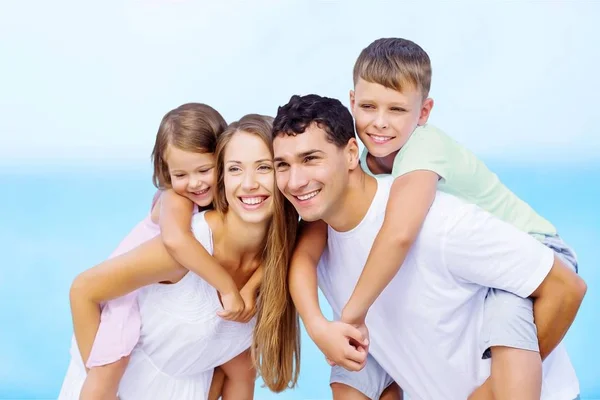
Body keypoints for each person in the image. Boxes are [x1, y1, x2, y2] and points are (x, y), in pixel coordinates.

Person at [289, 38, 580, 399]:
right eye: (368, 106)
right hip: (476, 274)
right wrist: (320, 327)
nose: (380, 123)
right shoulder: (360, 163)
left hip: (535, 246)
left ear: (423, 112)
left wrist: (351, 316)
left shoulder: (423, 149)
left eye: (397, 109)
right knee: (364, 360)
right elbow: (306, 247)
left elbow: (399, 233)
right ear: (352, 103)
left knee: (508, 327)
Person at [58, 114, 299, 399]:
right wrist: (100, 374)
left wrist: (250, 285)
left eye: (264, 168)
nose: (248, 184)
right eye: (235, 169)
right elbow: (83, 288)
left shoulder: (283, 260)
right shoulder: (185, 244)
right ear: (222, 177)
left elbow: (238, 370)